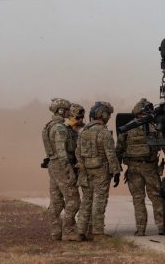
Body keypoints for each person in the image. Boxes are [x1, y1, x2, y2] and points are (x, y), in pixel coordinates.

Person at [117, 98, 165, 235]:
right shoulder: (154, 127)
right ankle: (161, 227)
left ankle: (141, 229)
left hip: (133, 168)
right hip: (150, 167)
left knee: (138, 198)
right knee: (156, 197)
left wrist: (117, 168)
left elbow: (118, 149)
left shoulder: (127, 127)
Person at [75, 101, 120, 240]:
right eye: (108, 114)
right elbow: (111, 154)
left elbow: (78, 153)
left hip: (86, 170)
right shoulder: (104, 132)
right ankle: (98, 233)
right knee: (99, 201)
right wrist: (116, 171)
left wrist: (82, 167)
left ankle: (80, 232)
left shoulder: (84, 132)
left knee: (86, 200)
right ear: (103, 114)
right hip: (101, 170)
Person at [41, 97, 80, 242]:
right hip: (62, 166)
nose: (70, 112)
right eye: (67, 110)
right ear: (61, 110)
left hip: (53, 165)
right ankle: (68, 231)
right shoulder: (59, 128)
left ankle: (55, 231)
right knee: (74, 200)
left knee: (56, 201)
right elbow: (62, 152)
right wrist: (69, 170)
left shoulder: (48, 126)